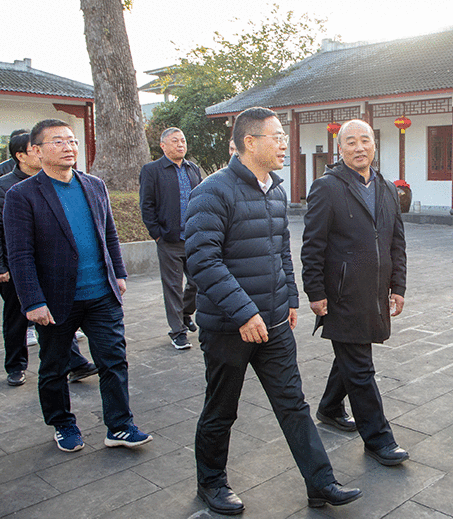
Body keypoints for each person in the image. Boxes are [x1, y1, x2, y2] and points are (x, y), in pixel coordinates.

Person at [186, 107, 361, 515]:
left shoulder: (276, 190)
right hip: (230, 326)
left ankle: (321, 482)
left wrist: (290, 298)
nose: (285, 144)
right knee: (221, 409)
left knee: (293, 404)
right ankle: (211, 482)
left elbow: (281, 249)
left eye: (284, 136)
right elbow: (202, 261)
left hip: (274, 322)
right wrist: (244, 312)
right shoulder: (213, 192)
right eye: (277, 137)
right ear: (250, 142)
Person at [3, 119, 152, 453]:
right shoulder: (22, 195)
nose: (68, 147)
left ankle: (120, 426)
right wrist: (32, 301)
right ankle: (63, 423)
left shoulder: (94, 185)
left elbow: (108, 233)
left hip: (101, 294)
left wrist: (119, 273)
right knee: (54, 367)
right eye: (58, 141)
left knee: (114, 361)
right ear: (37, 151)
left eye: (71, 140)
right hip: (55, 299)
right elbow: (20, 254)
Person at [301, 119, 409, 466]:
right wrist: (315, 291)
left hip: (375, 291)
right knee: (361, 367)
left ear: (374, 145)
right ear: (340, 148)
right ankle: (379, 438)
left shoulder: (387, 187)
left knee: (351, 352)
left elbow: (396, 241)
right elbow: (312, 245)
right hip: (342, 293)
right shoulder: (327, 188)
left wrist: (398, 286)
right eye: (351, 142)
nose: (359, 147)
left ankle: (330, 407)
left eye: (365, 140)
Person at [0, 132, 97, 387]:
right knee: (17, 318)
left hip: (50, 266)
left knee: (59, 313)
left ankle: (75, 363)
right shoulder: (3, 187)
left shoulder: (53, 182)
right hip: (15, 266)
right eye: (34, 149)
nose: (41, 152)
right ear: (21, 156)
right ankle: (16, 366)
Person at [139, 128, 201, 350]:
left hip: (194, 237)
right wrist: (157, 233)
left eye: (183, 140)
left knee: (198, 282)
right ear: (163, 146)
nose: (180, 144)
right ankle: (178, 331)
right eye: (175, 141)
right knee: (173, 286)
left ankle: (185, 313)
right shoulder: (152, 170)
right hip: (169, 239)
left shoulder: (193, 169)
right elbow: (146, 205)